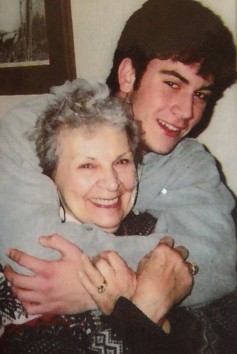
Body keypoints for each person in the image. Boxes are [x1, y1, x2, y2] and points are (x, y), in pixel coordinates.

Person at [0, 80, 194, 353]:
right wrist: (141, 310)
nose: (112, 183)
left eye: (122, 162)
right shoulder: (26, 279)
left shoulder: (153, 234)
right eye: (88, 165)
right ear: (52, 176)